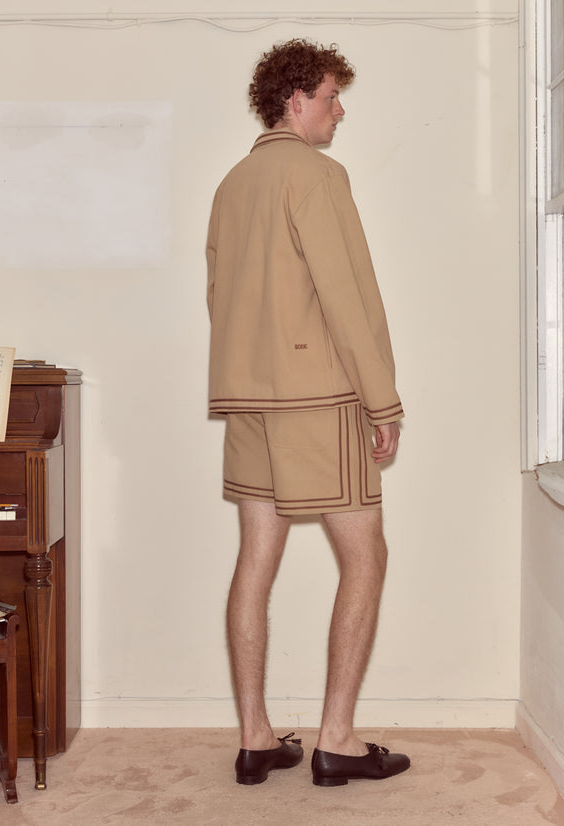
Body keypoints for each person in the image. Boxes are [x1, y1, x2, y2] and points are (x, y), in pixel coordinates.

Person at [206, 38, 409, 787]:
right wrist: (381, 399)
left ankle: (257, 737)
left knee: (255, 560)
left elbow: (218, 300)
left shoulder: (232, 185)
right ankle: (337, 741)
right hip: (319, 400)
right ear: (296, 100)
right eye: (330, 96)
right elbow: (346, 295)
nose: (338, 108)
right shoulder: (318, 176)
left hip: (248, 400)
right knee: (367, 555)